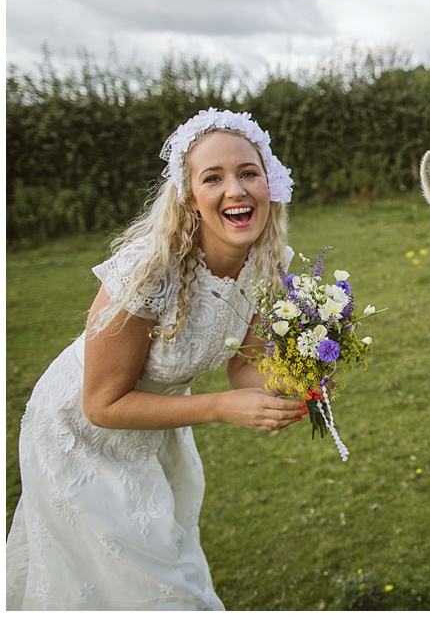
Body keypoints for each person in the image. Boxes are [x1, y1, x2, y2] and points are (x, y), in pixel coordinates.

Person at [6, 108, 307, 610]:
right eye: (213, 178)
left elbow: (243, 365)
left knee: (165, 565)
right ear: (189, 197)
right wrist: (221, 407)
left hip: (154, 429)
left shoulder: (267, 262)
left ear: (269, 183)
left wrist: (297, 379)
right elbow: (101, 404)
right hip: (77, 433)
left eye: (248, 173)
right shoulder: (149, 270)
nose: (235, 190)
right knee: (131, 585)